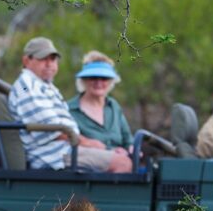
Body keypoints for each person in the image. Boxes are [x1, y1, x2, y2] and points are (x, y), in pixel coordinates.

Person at [8, 37, 132, 173]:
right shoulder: (27, 86)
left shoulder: (43, 86)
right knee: (123, 164)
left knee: (128, 161)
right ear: (26, 61)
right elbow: (55, 130)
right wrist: (94, 145)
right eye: (43, 59)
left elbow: (127, 139)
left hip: (64, 149)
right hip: (53, 155)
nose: (49, 64)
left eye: (53, 59)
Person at [67, 51, 133, 155]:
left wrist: (131, 150)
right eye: (93, 77)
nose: (99, 83)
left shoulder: (114, 106)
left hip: (123, 163)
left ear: (111, 81)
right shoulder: (70, 109)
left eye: (104, 78)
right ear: (84, 80)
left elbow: (128, 141)